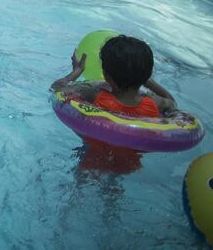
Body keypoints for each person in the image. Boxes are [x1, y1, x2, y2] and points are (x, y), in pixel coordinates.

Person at [50, 35, 177, 174]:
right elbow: (171, 101)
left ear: (105, 75)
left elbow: (57, 89)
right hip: (129, 165)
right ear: (148, 74)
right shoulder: (154, 102)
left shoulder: (94, 94)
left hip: (92, 160)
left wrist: (76, 72)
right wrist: (147, 80)